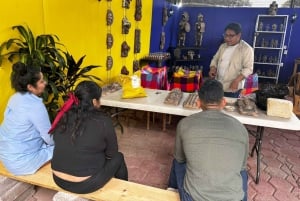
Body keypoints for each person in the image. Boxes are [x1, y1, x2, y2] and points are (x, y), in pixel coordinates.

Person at [168, 79, 249, 201]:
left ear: (198, 103)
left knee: (178, 162)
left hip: (194, 198)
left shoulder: (184, 124)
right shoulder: (241, 128)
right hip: (235, 198)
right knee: (242, 172)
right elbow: (242, 166)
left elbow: (180, 159)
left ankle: (172, 189)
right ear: (223, 102)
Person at [50, 81, 128, 194]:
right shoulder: (102, 121)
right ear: (94, 101)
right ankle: (123, 193)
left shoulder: (63, 115)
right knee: (118, 158)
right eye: (99, 99)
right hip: (84, 184)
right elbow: (112, 154)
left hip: (58, 178)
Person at [0, 62, 54, 175]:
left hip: (6, 155)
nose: (45, 83)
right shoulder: (36, 106)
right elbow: (48, 137)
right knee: (65, 145)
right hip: (21, 164)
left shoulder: (14, 98)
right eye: (41, 81)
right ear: (30, 87)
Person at [209, 22, 254, 98]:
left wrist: (236, 80)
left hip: (233, 87)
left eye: (231, 36)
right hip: (218, 83)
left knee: (229, 107)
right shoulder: (223, 46)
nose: (227, 38)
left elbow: (248, 68)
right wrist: (213, 68)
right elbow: (215, 59)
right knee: (218, 104)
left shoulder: (246, 49)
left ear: (239, 35)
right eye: (225, 35)